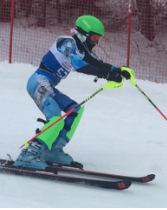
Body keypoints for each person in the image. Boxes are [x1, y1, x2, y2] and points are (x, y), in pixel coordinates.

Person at [13, 15, 133, 170]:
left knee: (75, 111)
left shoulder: (82, 51)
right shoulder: (66, 42)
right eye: (94, 38)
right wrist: (107, 74)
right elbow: (78, 65)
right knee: (55, 117)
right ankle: (28, 154)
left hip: (48, 84)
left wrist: (116, 70)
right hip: (38, 81)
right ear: (83, 34)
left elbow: (96, 62)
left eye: (98, 39)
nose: (96, 42)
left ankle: (53, 150)